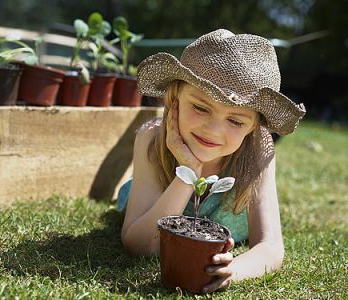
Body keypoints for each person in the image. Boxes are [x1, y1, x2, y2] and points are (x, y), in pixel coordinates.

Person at [118, 29, 306, 293]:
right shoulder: (151, 137)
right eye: (201, 107)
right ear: (174, 100)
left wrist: (235, 270)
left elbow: (271, 247)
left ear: (253, 128)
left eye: (235, 120)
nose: (213, 131)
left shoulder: (259, 149)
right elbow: (140, 246)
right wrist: (188, 171)